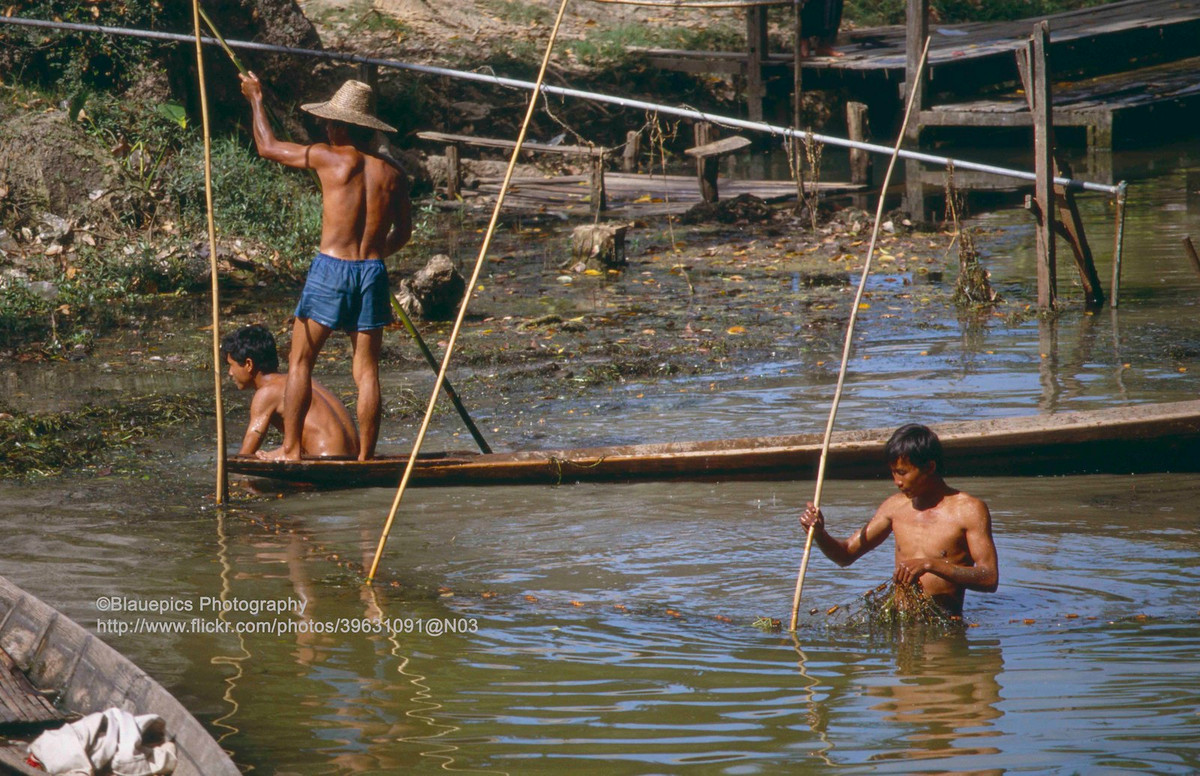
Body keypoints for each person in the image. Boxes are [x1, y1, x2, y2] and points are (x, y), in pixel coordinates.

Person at [239, 73, 412, 461]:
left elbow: (266, 146)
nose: (326, 127)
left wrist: (255, 99)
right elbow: (403, 233)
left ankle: (290, 450)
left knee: (300, 362)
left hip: (331, 268)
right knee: (366, 372)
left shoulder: (328, 156)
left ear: (343, 127)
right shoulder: (392, 174)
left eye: (331, 122)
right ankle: (367, 457)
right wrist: (373, 257)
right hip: (371, 272)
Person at [798, 424, 998, 616]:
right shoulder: (894, 507)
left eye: (902, 472)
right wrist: (820, 534)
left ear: (929, 467)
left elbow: (989, 578)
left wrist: (931, 565)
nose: (897, 482)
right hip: (900, 622)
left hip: (944, 627)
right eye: (893, 472)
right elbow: (846, 554)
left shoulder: (968, 510)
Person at [222, 324, 359, 459]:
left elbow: (246, 454)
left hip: (327, 459)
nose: (230, 373)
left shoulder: (266, 393)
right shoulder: (301, 382)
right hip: (354, 455)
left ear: (249, 364)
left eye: (231, 365)